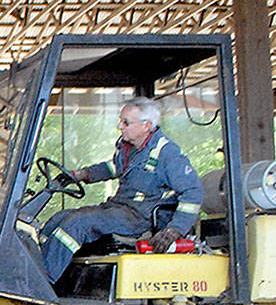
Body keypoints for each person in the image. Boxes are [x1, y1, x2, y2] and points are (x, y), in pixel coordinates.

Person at [39, 97, 203, 283]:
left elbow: (193, 192)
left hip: (141, 217)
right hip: (120, 208)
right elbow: (114, 168)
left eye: (125, 122)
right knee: (58, 219)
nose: (120, 126)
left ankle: (41, 283)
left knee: (79, 222)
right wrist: (81, 174)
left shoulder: (167, 153)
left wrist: (174, 230)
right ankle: (39, 270)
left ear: (145, 125)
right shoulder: (128, 148)